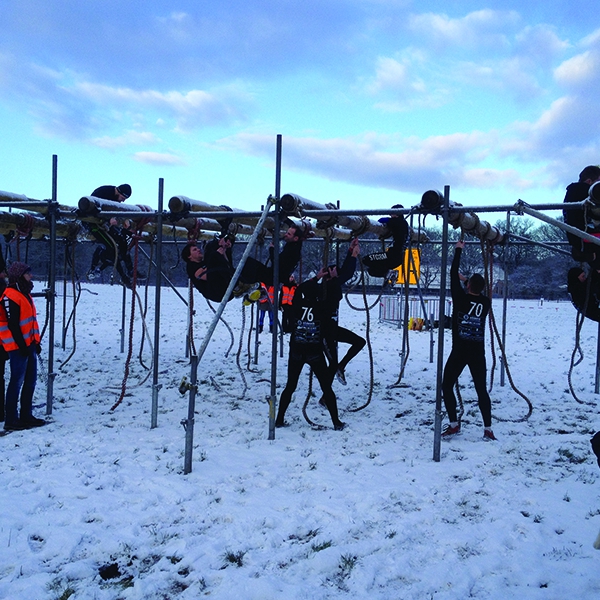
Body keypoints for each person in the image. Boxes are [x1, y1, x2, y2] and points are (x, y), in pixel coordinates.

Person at [441, 240, 495, 441]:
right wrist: (466, 281)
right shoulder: (486, 302)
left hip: (460, 350)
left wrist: (458, 250)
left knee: (446, 385)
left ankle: (454, 424)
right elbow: (469, 287)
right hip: (477, 352)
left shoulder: (460, 299)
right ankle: (488, 428)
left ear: (468, 285)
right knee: (481, 390)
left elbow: (452, 273)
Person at [275, 277, 345, 431]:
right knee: (326, 388)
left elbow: (300, 289)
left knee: (290, 386)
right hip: (315, 353)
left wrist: (317, 277)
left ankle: (279, 419)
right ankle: (336, 422)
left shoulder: (295, 305)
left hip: (296, 352)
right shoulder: (323, 307)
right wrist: (333, 279)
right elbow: (336, 297)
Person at [0, 262, 45, 431]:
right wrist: (22, 346)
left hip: (29, 345)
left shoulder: (24, 293)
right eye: (28, 273)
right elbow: (13, 324)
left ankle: (26, 415)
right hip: (17, 348)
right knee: (16, 381)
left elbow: (29, 322)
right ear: (19, 275)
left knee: (30, 381)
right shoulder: (10, 295)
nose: (30, 276)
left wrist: (35, 342)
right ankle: (11, 418)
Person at [318, 238, 365, 386]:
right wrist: (352, 256)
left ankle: (341, 366)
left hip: (332, 329)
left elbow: (344, 272)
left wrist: (351, 251)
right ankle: (326, 396)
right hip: (323, 332)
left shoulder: (333, 284)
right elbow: (346, 274)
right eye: (333, 271)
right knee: (331, 363)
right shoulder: (326, 287)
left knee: (359, 342)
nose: (336, 272)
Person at [85, 184, 136, 286]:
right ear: (118, 191)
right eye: (123, 198)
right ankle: (120, 275)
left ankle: (130, 271)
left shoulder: (115, 198)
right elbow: (93, 209)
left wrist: (125, 219)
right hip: (93, 224)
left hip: (104, 224)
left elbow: (119, 210)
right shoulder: (104, 193)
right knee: (112, 247)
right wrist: (108, 219)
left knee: (122, 240)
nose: (123, 201)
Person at [239, 222, 309, 288]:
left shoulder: (292, 251)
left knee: (249, 263)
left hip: (274, 276)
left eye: (289, 234)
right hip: (275, 275)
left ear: (295, 238)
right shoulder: (294, 246)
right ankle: (245, 283)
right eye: (287, 232)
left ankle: (244, 284)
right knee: (251, 265)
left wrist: (272, 249)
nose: (285, 235)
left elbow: (277, 262)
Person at [563, 165, 600, 267]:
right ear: (589, 182)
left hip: (582, 243)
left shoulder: (572, 194)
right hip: (591, 241)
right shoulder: (587, 194)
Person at [362, 206, 409, 278]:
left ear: (397, 213)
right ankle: (388, 273)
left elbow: (382, 220)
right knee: (372, 270)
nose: (390, 215)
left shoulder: (398, 222)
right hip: (399, 258)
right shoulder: (404, 224)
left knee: (366, 259)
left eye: (391, 213)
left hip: (392, 256)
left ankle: (388, 273)